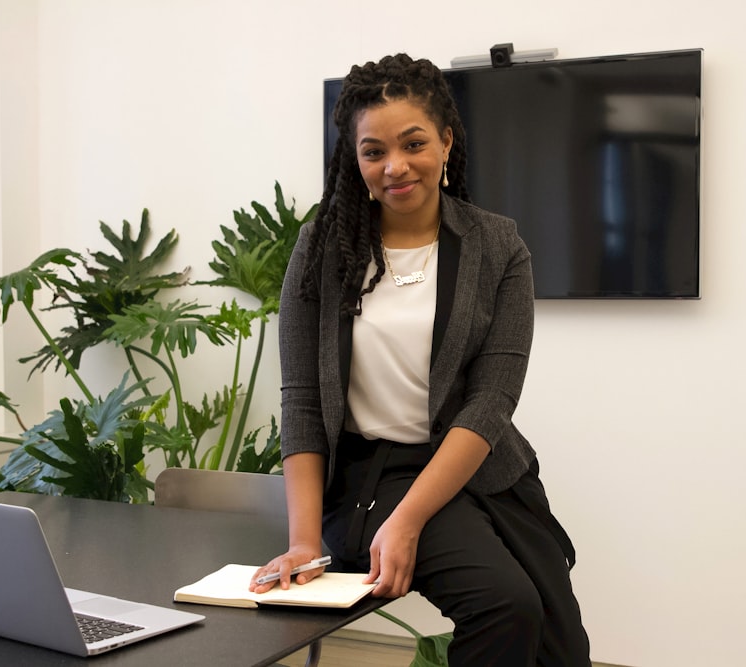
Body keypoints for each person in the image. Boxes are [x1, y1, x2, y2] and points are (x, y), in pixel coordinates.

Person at [251, 53, 590, 666]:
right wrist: (303, 542)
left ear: (447, 142)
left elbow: (493, 400)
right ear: (354, 159)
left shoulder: (498, 245)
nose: (395, 166)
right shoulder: (321, 244)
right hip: (366, 474)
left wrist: (409, 521)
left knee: (554, 639)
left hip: (473, 466)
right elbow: (301, 397)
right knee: (505, 605)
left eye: (413, 144)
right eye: (373, 151)